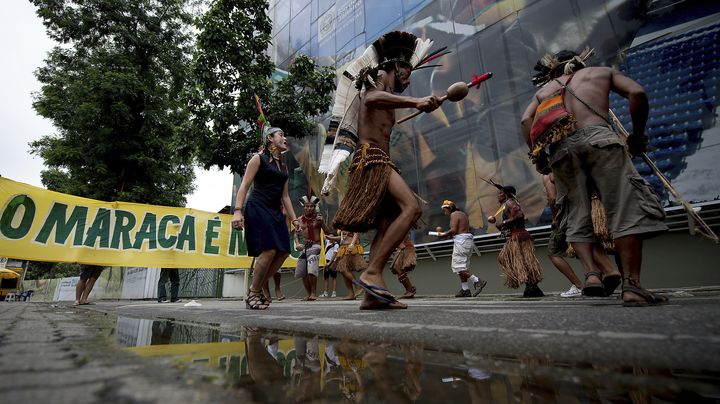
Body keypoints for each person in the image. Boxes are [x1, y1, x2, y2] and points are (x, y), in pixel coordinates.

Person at [521, 48, 668, 306]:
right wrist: (636, 135)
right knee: (624, 208)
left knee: (576, 211)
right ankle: (632, 286)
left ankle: (591, 274)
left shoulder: (544, 91)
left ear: (553, 70)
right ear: (579, 61)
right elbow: (637, 93)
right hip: (599, 138)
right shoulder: (601, 72)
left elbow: (526, 120)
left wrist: (539, 157)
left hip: (561, 150)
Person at [330, 31, 441, 310]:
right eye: (407, 70)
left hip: (380, 161)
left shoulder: (387, 94)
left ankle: (371, 295)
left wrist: (423, 105)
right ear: (394, 66)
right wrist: (416, 101)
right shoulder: (377, 81)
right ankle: (372, 272)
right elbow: (371, 99)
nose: (409, 76)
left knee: (386, 222)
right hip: (372, 160)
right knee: (412, 207)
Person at [232, 127, 299, 310]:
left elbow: (285, 197)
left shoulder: (283, 165)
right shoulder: (258, 159)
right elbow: (245, 186)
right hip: (257, 207)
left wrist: (294, 219)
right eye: (281, 134)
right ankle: (254, 292)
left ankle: (258, 283)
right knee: (268, 250)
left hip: (275, 211)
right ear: (270, 138)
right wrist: (238, 211)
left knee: (284, 252)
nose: (284, 138)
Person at [488, 186, 544, 297]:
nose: (498, 195)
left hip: (519, 237)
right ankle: (532, 287)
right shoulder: (509, 203)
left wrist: (503, 223)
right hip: (517, 236)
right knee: (519, 261)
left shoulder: (510, 202)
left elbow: (520, 215)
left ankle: (531, 285)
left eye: (500, 193)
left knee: (509, 259)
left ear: (507, 194)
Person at [436, 200, 487, 297]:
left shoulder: (454, 215)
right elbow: (457, 230)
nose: (444, 212)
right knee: (462, 267)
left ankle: (477, 281)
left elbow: (454, 230)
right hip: (467, 242)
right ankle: (465, 289)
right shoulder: (461, 214)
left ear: (450, 208)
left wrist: (443, 235)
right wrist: (447, 234)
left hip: (461, 243)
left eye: (445, 209)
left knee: (458, 267)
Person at [294, 195, 334, 301]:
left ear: (314, 206)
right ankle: (308, 294)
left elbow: (328, 232)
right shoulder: (299, 220)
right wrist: (297, 243)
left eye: (311, 206)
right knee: (303, 271)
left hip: (315, 245)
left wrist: (322, 223)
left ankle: (313, 293)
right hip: (304, 247)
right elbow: (296, 234)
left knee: (311, 270)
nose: (309, 208)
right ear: (304, 207)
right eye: (307, 206)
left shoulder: (318, 218)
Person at [334, 231, 366, 300]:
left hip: (350, 248)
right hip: (343, 248)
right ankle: (351, 294)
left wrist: (352, 244)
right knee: (344, 271)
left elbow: (356, 233)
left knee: (342, 268)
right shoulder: (341, 224)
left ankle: (358, 286)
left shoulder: (350, 221)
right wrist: (331, 238)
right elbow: (342, 238)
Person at [390, 233, 418, 299]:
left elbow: (401, 233)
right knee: (396, 268)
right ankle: (410, 289)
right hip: (403, 247)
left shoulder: (398, 223)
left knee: (397, 268)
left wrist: (400, 243)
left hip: (405, 248)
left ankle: (410, 289)